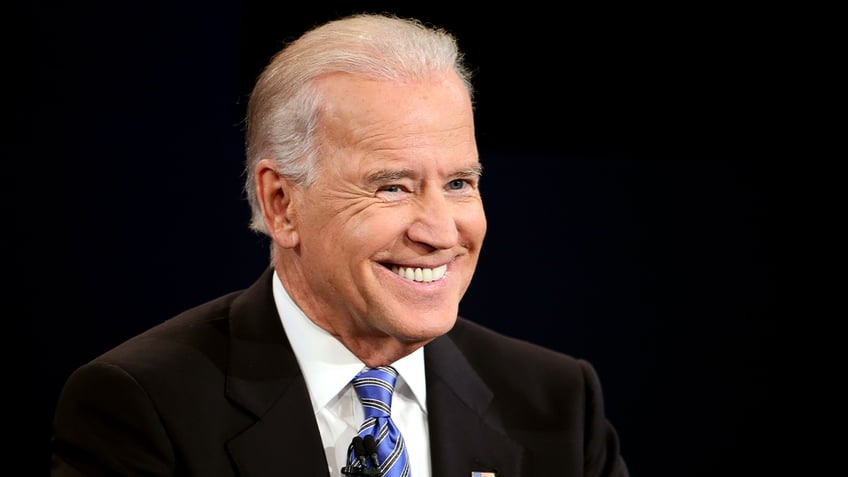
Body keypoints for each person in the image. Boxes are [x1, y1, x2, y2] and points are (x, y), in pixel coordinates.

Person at [50, 12, 629, 477]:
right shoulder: (142, 407)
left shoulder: (557, 404)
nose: (439, 231)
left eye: (459, 183)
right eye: (392, 187)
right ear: (282, 204)